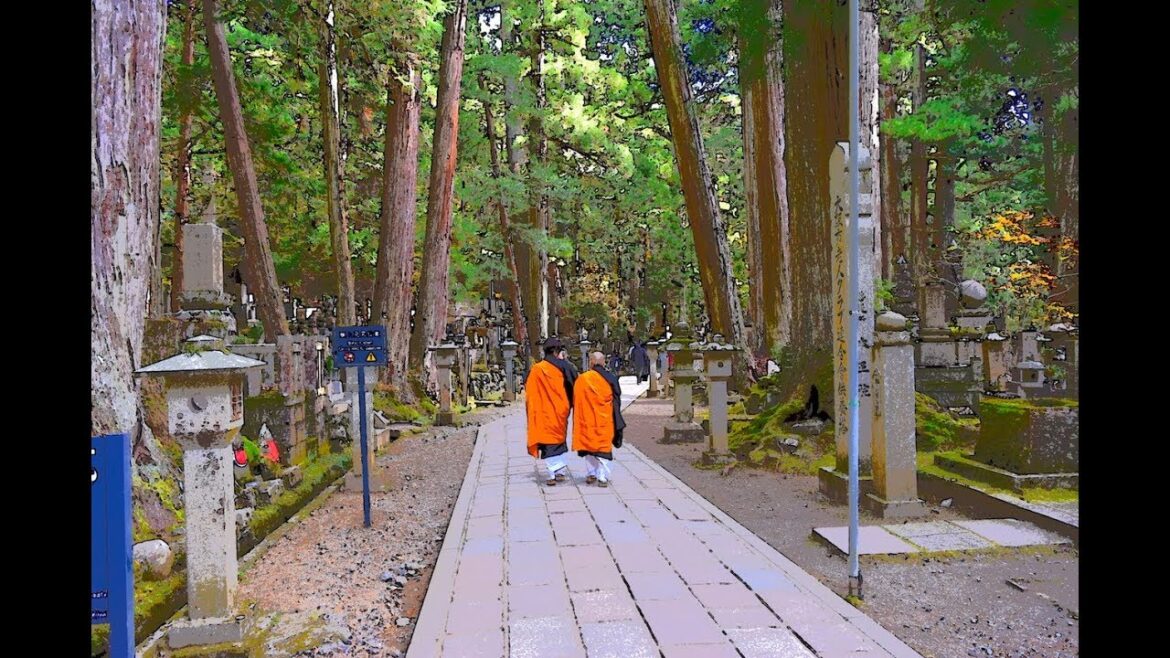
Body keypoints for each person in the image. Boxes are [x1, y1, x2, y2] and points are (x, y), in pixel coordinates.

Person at [525, 337, 577, 485]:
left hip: (542, 410)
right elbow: (574, 384)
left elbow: (530, 392)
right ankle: (557, 471)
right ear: (556, 351)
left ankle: (553, 473)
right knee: (558, 439)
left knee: (548, 442)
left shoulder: (537, 369)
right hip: (560, 409)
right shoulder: (565, 366)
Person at [573, 351, 626, 487]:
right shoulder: (611, 378)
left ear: (591, 362)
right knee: (603, 447)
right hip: (605, 420)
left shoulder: (583, 379)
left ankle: (591, 473)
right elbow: (616, 398)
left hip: (587, 420)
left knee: (589, 446)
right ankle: (601, 477)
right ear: (603, 362)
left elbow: (576, 400)